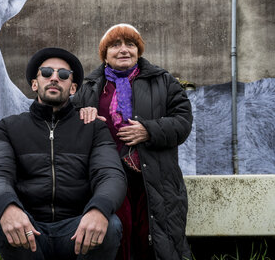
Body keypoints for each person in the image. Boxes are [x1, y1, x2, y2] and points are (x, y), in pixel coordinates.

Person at [0, 47, 127, 260]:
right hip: (29, 225)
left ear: (73, 87)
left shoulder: (93, 128)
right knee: (1, 221)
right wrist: (8, 206)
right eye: (47, 73)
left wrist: (99, 209)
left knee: (111, 224)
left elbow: (111, 174)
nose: (55, 78)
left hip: (77, 228)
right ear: (34, 83)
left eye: (64, 75)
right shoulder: (8, 128)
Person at [72, 24, 193, 260]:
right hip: (108, 179)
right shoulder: (88, 89)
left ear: (139, 51)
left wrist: (149, 130)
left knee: (156, 241)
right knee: (117, 237)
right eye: (115, 45)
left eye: (131, 44)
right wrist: (83, 119)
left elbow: (183, 122)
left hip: (156, 178)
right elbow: (69, 133)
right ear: (104, 54)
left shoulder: (163, 81)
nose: (124, 50)